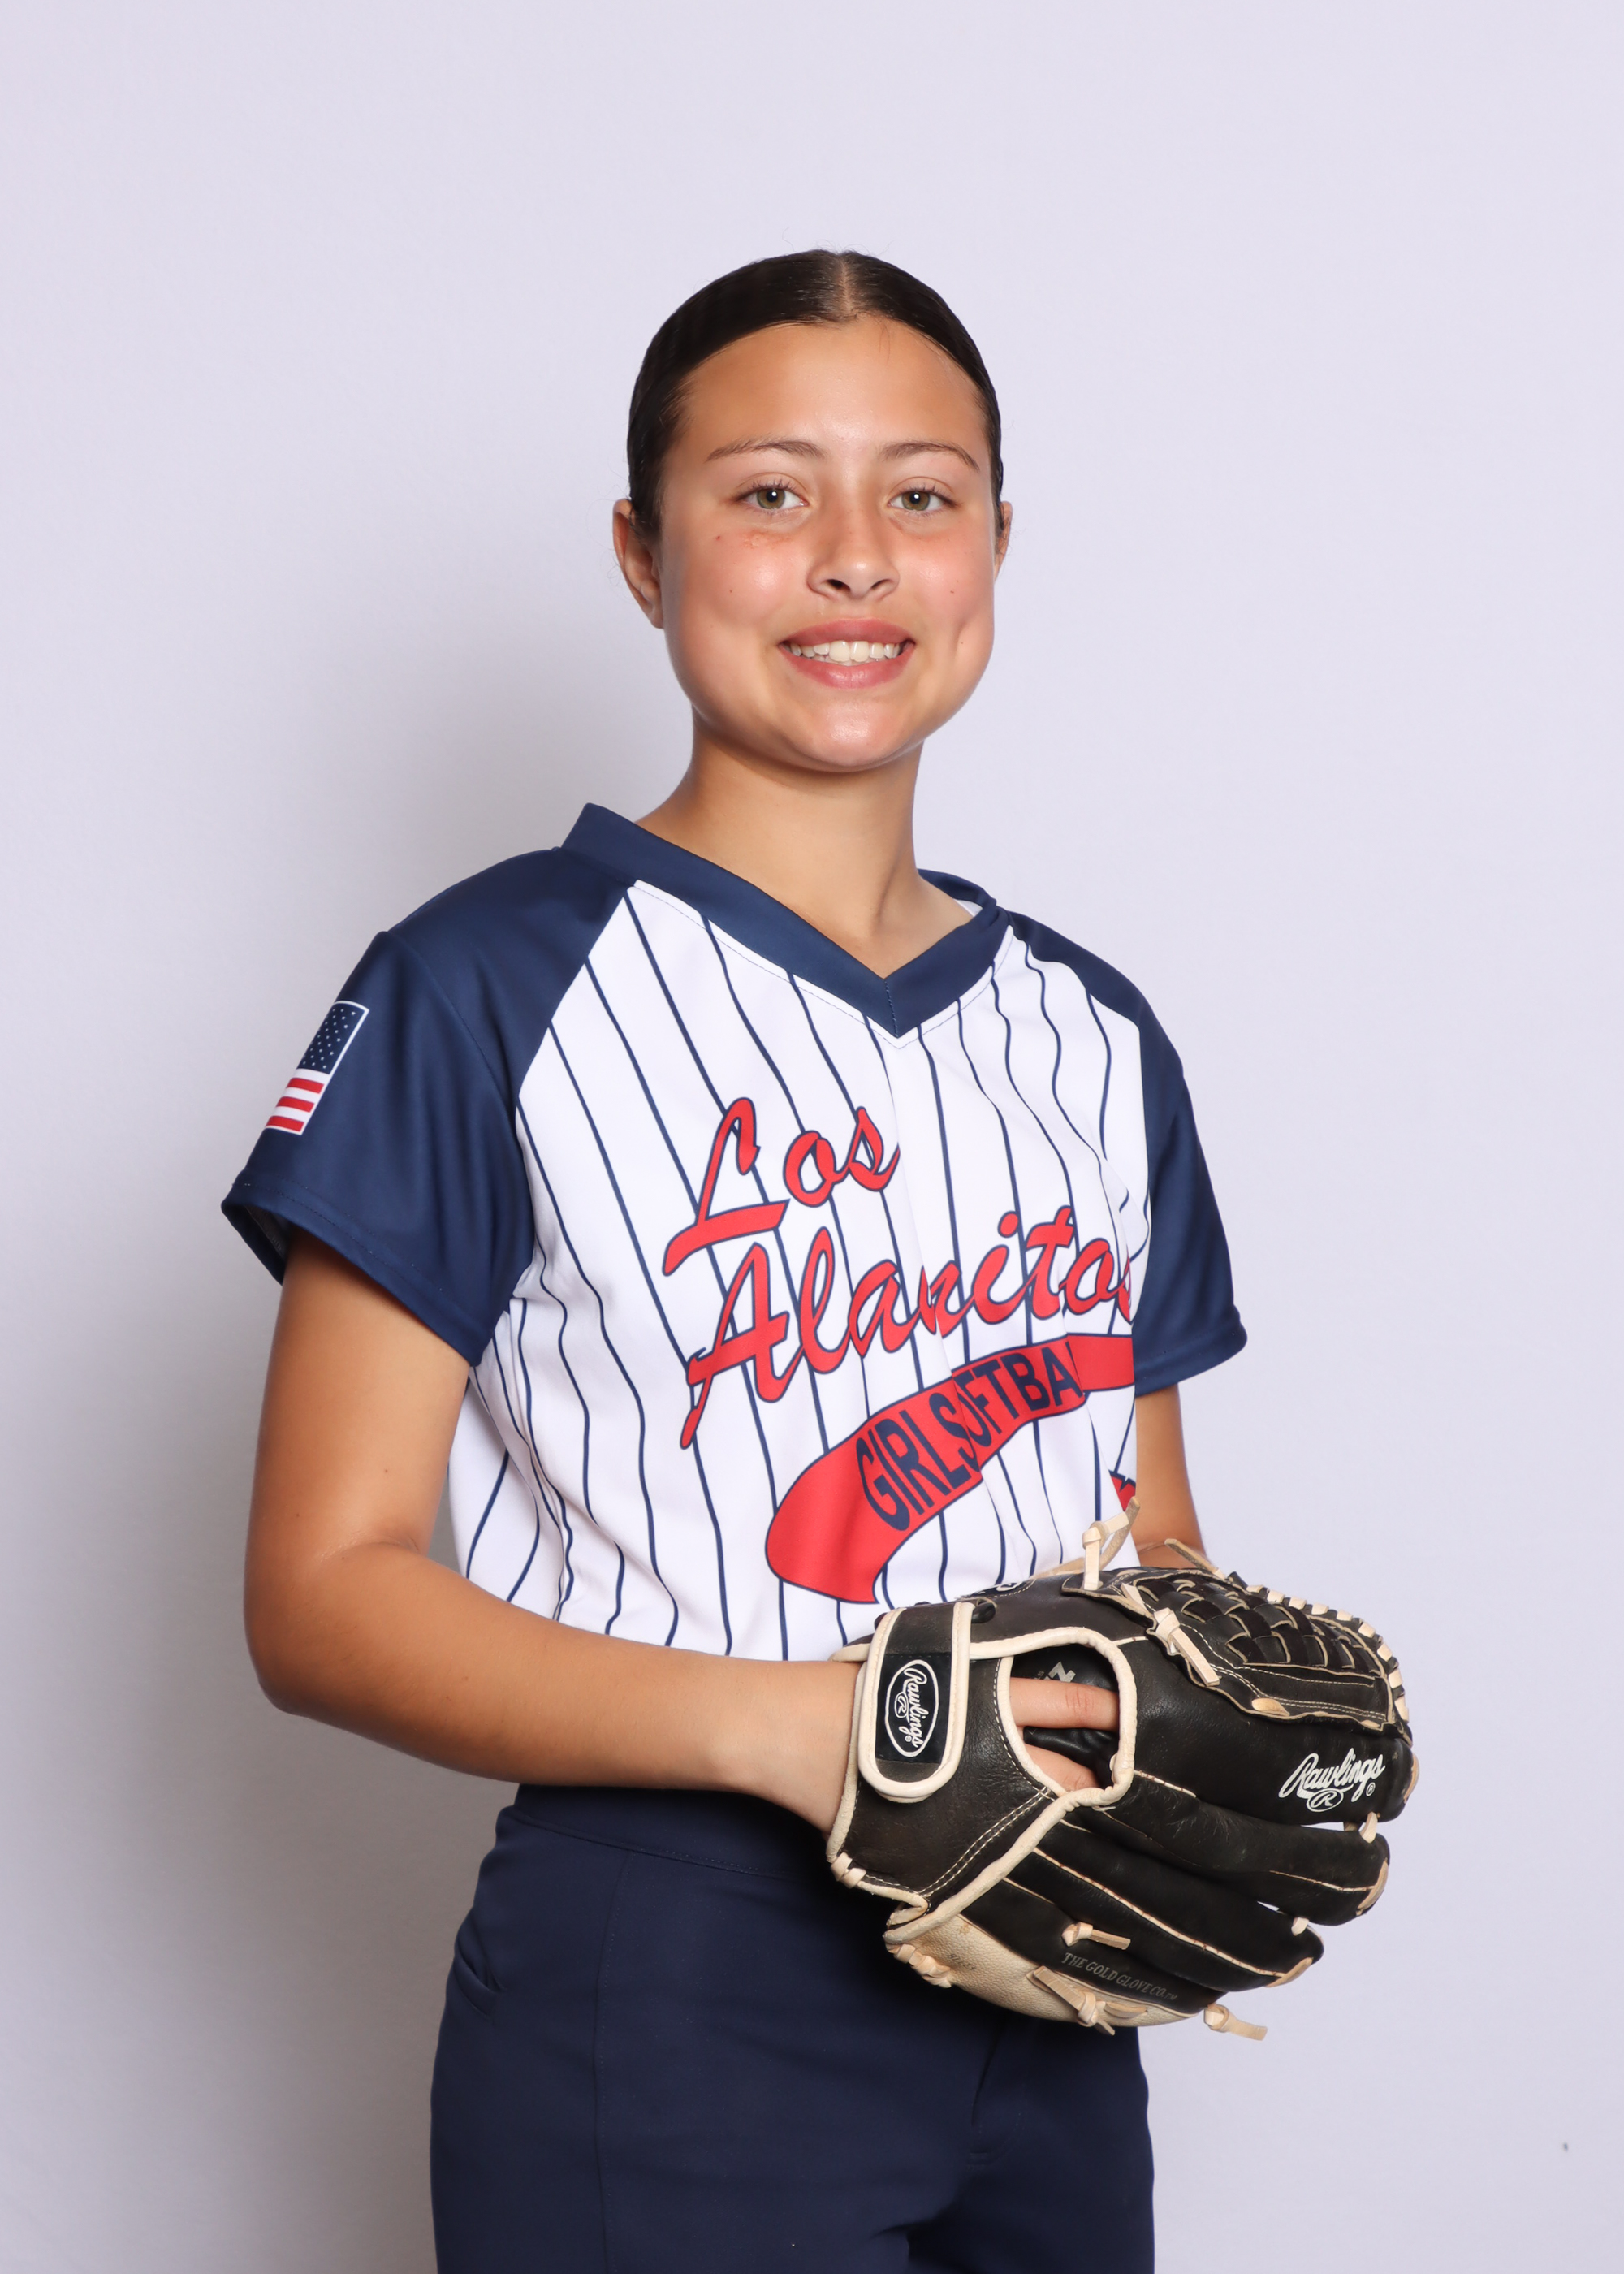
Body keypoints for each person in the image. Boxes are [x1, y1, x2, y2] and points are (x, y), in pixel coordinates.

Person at [226, 249, 1246, 2273]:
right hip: (678, 1956)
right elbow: (318, 1595)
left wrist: (1205, 1731)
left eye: (922, 494)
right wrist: (804, 1725)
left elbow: (1146, 1527)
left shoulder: (1093, 1031)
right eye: (771, 491)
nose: (854, 555)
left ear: (996, 543)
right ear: (643, 549)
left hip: (1053, 1953)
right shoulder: (485, 983)